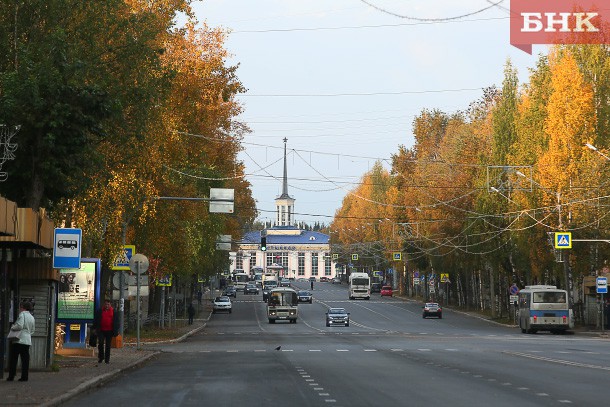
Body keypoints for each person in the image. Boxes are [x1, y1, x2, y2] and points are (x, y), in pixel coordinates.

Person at [7, 301, 35, 382]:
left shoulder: (22, 315)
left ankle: (11, 376)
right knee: (25, 360)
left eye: (20, 307)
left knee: (13, 359)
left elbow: (19, 326)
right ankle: (24, 377)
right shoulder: (31, 317)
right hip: (27, 341)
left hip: (19, 340)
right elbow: (33, 330)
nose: (19, 308)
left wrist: (12, 327)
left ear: (23, 307)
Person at [92, 299, 119, 365]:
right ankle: (101, 357)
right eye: (106, 304)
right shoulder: (100, 311)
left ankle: (107, 360)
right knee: (100, 343)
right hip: (101, 330)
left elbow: (116, 322)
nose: (107, 306)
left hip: (109, 331)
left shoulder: (113, 311)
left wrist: (116, 330)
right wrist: (94, 328)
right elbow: (96, 320)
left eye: (108, 304)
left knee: (108, 345)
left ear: (110, 305)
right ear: (104, 304)